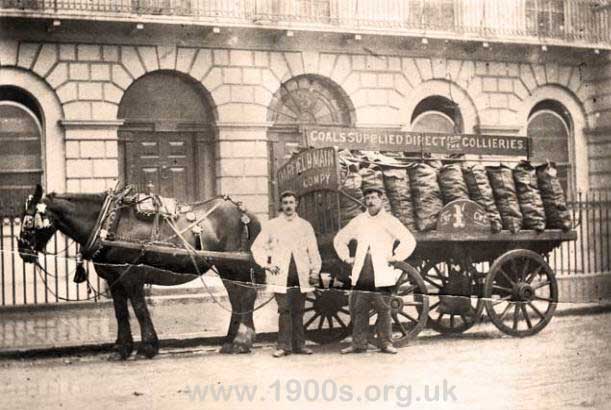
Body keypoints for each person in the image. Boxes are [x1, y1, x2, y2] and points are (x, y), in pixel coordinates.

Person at [333, 186, 416, 354]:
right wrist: (346, 257)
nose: (370, 201)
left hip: (381, 269)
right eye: (368, 198)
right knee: (359, 307)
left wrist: (397, 256)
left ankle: (386, 343)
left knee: (383, 307)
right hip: (363, 268)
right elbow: (340, 239)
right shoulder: (359, 220)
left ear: (381, 200)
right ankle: (359, 343)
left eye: (374, 198)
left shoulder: (389, 221)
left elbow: (409, 240)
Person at [251, 190, 322, 357]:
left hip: (300, 273)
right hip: (280, 274)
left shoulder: (305, 225)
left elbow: (313, 251)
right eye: (285, 203)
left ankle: (300, 345)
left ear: (296, 204)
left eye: (291, 202)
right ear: (281, 206)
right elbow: (257, 247)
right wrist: (267, 264)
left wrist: (315, 270)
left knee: (298, 310)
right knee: (284, 309)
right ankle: (283, 346)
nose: (288, 206)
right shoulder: (272, 225)